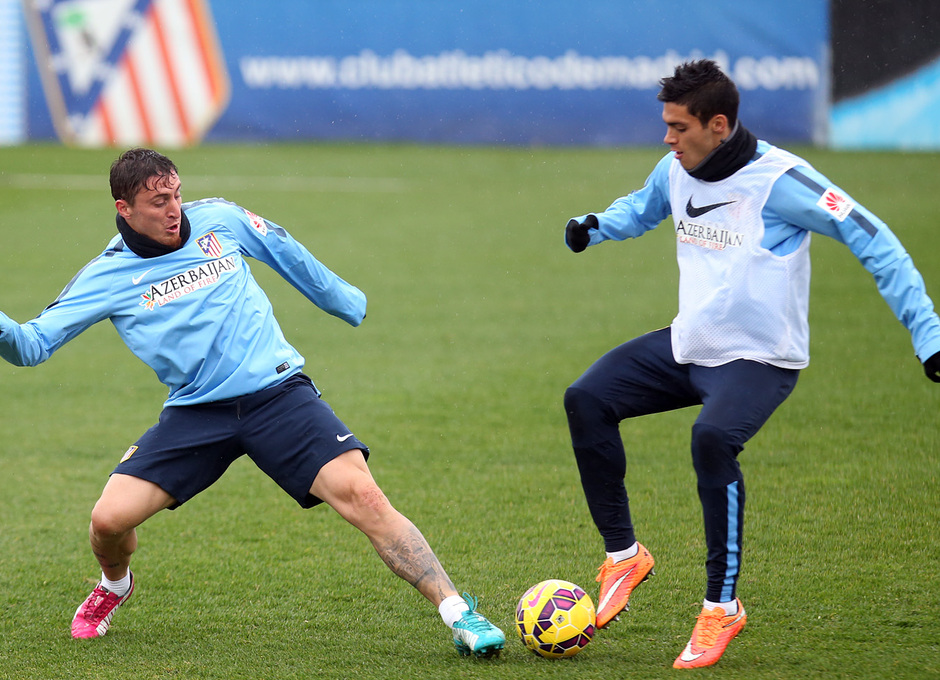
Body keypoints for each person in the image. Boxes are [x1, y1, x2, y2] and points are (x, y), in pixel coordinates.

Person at [0, 148, 505, 657]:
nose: (175, 209)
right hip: (196, 413)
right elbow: (31, 345)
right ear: (123, 208)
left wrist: (345, 301)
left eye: (176, 194)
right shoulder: (106, 276)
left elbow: (285, 250)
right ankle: (114, 585)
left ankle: (461, 613)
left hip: (278, 395)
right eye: (158, 202)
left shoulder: (219, 219)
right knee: (108, 522)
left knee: (365, 497)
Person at [562, 60, 940, 669]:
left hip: (761, 359)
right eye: (665, 125)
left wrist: (929, 335)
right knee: (587, 398)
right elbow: (644, 206)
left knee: (711, 439)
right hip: (691, 346)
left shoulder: (783, 181)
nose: (667, 139)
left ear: (718, 124)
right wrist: (596, 227)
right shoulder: (676, 167)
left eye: (679, 127)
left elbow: (877, 239)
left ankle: (721, 608)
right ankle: (624, 555)